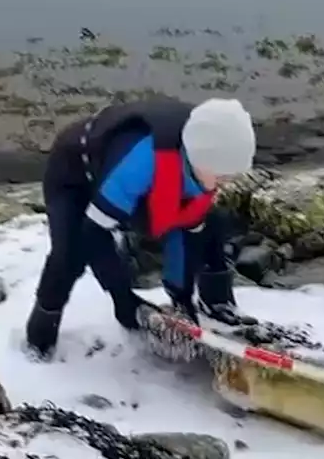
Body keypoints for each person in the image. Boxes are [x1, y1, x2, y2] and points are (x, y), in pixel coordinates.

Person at [24, 96, 259, 359]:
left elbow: (185, 233)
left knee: (210, 225)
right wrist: (122, 298)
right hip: (74, 172)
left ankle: (216, 301)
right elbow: (93, 233)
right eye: (222, 175)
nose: (225, 183)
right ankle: (40, 336)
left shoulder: (204, 159)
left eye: (231, 176)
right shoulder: (143, 161)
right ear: (198, 159)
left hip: (139, 182)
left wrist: (182, 303)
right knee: (69, 254)